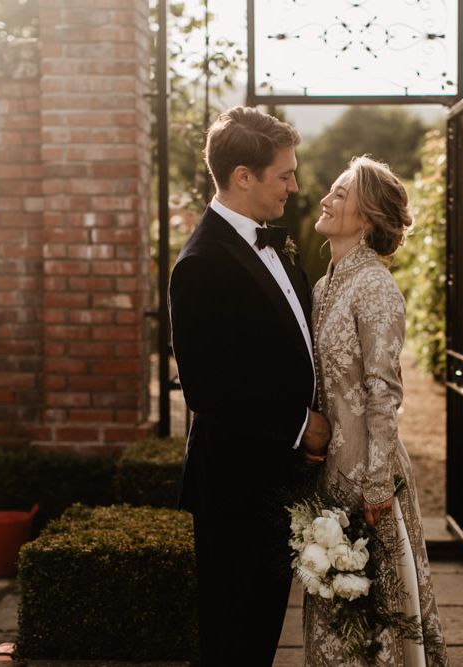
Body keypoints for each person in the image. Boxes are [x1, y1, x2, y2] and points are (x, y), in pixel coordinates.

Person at [168, 106, 331, 666]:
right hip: (234, 487)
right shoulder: (201, 264)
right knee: (231, 642)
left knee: (259, 638)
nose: (295, 185)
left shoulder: (274, 244)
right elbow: (209, 391)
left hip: (276, 480)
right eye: (284, 174)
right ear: (244, 176)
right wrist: (298, 425)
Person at [304, 155, 449, 666]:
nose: (326, 198)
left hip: (370, 481)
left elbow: (384, 393)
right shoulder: (323, 287)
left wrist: (377, 482)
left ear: (365, 217)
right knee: (329, 620)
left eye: (340, 194)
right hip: (326, 483)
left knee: (376, 623)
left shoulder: (378, 287)